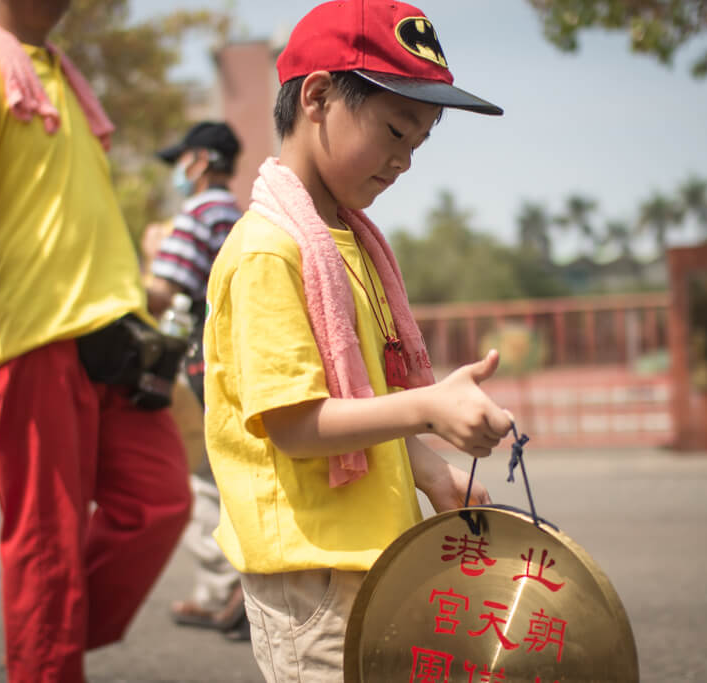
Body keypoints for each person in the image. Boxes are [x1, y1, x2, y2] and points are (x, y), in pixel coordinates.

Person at [202, 1, 514, 680]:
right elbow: (296, 422)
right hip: (312, 573)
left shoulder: (347, 242)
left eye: (419, 142)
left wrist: (428, 467)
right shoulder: (269, 251)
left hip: (371, 559)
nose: (404, 159)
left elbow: (361, 398)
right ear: (317, 96)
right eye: (395, 130)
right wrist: (428, 406)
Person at [0, 1, 191, 681]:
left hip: (114, 337)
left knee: (161, 501)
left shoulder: (62, 78)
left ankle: (46, 638)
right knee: (47, 544)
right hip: (31, 338)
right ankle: (46, 649)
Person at [147, 122, 249, 639]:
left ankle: (226, 590)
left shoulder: (196, 215)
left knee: (202, 479)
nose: (179, 173)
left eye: (182, 161)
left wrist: (144, 262)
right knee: (237, 472)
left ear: (202, 160)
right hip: (244, 362)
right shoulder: (242, 214)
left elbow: (162, 293)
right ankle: (238, 589)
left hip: (202, 363)